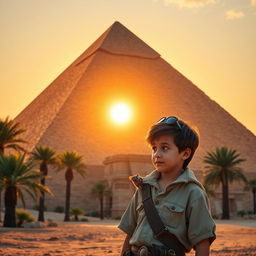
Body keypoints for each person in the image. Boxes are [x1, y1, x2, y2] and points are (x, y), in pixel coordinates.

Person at [118, 116, 216, 256]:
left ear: (185, 153)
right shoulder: (143, 188)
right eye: (154, 148)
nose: (157, 154)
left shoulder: (193, 193)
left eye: (164, 148)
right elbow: (130, 234)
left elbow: (202, 242)